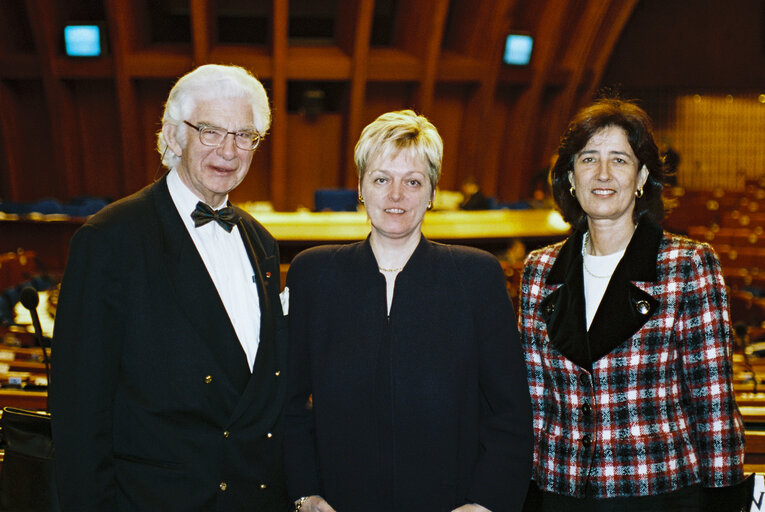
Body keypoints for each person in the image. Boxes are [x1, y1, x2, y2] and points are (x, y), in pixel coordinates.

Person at [50, 64, 290, 510]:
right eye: (211, 131)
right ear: (174, 136)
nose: (229, 150)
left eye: (244, 135)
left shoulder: (262, 243)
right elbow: (79, 412)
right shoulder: (110, 239)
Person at [284, 110, 533, 512]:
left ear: (433, 192)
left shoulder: (476, 277)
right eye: (382, 179)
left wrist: (486, 503)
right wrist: (304, 495)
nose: (396, 195)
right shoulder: (314, 274)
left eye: (412, 181)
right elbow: (288, 403)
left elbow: (510, 412)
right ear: (361, 187)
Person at [519, 98, 749, 511]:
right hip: (560, 493)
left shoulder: (687, 265)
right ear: (570, 175)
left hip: (658, 493)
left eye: (620, 160)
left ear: (642, 175)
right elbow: (535, 401)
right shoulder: (540, 270)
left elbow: (712, 402)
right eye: (588, 159)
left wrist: (723, 500)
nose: (603, 174)